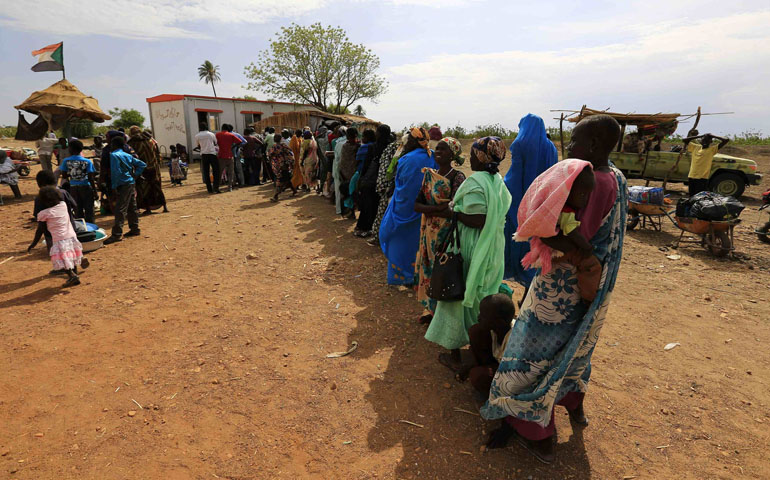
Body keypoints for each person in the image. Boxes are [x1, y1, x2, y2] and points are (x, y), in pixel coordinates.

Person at [482, 115, 626, 465]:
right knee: (575, 348)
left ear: (592, 144)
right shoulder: (617, 176)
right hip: (595, 284)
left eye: (575, 141)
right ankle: (573, 404)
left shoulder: (595, 182)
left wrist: (538, 227)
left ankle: (534, 430)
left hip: (564, 287)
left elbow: (577, 238)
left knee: (532, 352)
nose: (568, 147)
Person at [424, 136, 511, 368]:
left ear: (481, 157)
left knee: (457, 295)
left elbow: (477, 219)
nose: (470, 157)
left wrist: (453, 213)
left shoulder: (476, 182)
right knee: (484, 295)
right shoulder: (498, 181)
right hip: (493, 246)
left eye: (473, 153)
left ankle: (455, 354)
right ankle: (480, 349)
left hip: (472, 246)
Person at [515, 160, 602, 304]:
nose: (585, 200)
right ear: (567, 191)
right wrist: (586, 246)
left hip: (553, 245)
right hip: (562, 248)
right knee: (592, 267)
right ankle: (589, 298)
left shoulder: (558, 207)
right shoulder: (566, 212)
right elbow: (572, 232)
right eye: (581, 195)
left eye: (587, 195)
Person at [414, 137, 466, 324]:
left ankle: (442, 314)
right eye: (437, 148)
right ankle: (430, 309)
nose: (438, 152)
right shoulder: (430, 174)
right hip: (428, 232)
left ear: (452, 154)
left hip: (446, 233)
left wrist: (431, 210)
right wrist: (436, 209)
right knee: (428, 268)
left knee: (442, 271)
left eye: (443, 149)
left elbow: (454, 208)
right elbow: (416, 204)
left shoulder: (457, 177)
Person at [503, 113, 558, 288]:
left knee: (516, 235)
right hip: (543, 202)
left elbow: (513, 176)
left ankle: (516, 268)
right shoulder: (551, 148)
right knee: (538, 239)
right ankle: (532, 281)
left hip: (521, 199)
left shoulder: (520, 144)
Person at [379, 127, 438, 285]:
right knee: (420, 243)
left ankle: (402, 275)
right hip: (427, 209)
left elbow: (401, 185)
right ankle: (419, 275)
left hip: (404, 208)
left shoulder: (406, 159)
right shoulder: (433, 157)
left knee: (398, 241)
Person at [27, 186, 86, 287]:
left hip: (59, 239)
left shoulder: (43, 214)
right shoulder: (63, 205)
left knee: (63, 258)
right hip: (71, 236)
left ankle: (72, 275)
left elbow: (40, 230)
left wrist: (33, 243)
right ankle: (75, 271)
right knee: (70, 255)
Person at [459, 293, 517, 396]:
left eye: (484, 316)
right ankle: (483, 367)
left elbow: (515, 376)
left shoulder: (515, 343)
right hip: (498, 363)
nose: (479, 317)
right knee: (475, 331)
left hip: (511, 376)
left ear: (499, 322)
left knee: (477, 376)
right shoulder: (496, 329)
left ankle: (495, 396)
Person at [103, 136, 146, 245]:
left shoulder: (113, 155)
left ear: (114, 145)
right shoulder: (127, 155)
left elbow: (116, 172)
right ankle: (135, 228)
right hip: (130, 182)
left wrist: (114, 187)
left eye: (112, 144)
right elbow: (142, 164)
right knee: (132, 207)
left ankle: (117, 234)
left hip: (122, 184)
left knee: (120, 209)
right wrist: (135, 175)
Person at [369, 133, 407, 247]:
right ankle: (381, 238)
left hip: (392, 185)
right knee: (386, 212)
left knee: (385, 213)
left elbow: (386, 167)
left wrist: (382, 185)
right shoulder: (398, 148)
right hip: (393, 186)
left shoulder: (398, 148)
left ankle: (380, 237)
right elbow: (389, 168)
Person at [355, 126, 392, 238]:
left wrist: (362, 178)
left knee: (367, 204)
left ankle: (365, 227)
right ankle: (376, 229)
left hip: (372, 179)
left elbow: (366, 165)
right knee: (378, 205)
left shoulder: (373, 147)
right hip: (385, 181)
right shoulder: (391, 147)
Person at [33, 169, 78, 257]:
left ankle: (61, 268)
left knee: (56, 254)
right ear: (54, 181)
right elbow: (75, 206)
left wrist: (35, 242)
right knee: (71, 250)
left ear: (39, 184)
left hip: (51, 234)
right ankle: (73, 266)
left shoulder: (39, 199)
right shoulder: (63, 193)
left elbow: (40, 223)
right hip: (69, 228)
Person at [128, 126, 168, 214]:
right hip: (154, 168)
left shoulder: (132, 143)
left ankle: (148, 209)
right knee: (157, 186)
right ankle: (165, 206)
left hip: (142, 169)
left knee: (144, 188)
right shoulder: (150, 141)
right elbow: (158, 154)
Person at [59, 139, 97, 223]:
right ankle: (91, 227)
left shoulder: (66, 161)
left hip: (73, 187)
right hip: (86, 186)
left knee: (77, 208)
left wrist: (73, 174)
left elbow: (64, 175)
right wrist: (95, 190)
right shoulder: (87, 161)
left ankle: (81, 228)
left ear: (71, 149)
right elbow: (91, 177)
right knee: (89, 209)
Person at [268, 133, 298, 202]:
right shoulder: (280, 146)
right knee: (287, 179)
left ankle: (276, 196)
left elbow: (270, 155)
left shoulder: (275, 147)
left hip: (282, 166)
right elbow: (290, 154)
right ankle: (294, 191)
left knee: (280, 180)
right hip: (282, 165)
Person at [339, 128, 361, 218]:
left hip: (346, 173)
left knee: (349, 192)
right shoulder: (358, 146)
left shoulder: (345, 146)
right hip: (354, 174)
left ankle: (351, 211)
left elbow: (343, 161)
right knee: (353, 192)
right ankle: (352, 211)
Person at [215, 124, 243, 192]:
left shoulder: (217, 135)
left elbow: (214, 143)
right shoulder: (231, 135)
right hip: (230, 156)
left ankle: (217, 187)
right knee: (231, 173)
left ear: (222, 128)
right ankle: (230, 187)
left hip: (221, 156)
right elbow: (240, 141)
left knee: (219, 172)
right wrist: (233, 147)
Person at [195, 122, 220, 194]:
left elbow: (198, 145)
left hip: (204, 154)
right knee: (216, 171)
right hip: (212, 153)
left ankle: (209, 189)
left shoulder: (197, 136)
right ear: (207, 127)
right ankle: (216, 188)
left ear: (200, 128)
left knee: (206, 172)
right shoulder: (211, 134)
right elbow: (215, 143)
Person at [331, 126, 348, 215]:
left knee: (338, 190)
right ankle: (348, 209)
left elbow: (337, 159)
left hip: (338, 170)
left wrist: (338, 172)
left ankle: (339, 209)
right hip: (349, 170)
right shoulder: (351, 143)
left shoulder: (338, 143)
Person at [315, 126, 331, 196]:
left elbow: (318, 151)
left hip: (323, 159)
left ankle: (321, 188)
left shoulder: (318, 140)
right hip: (330, 159)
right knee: (329, 175)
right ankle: (326, 189)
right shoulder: (328, 138)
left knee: (323, 174)